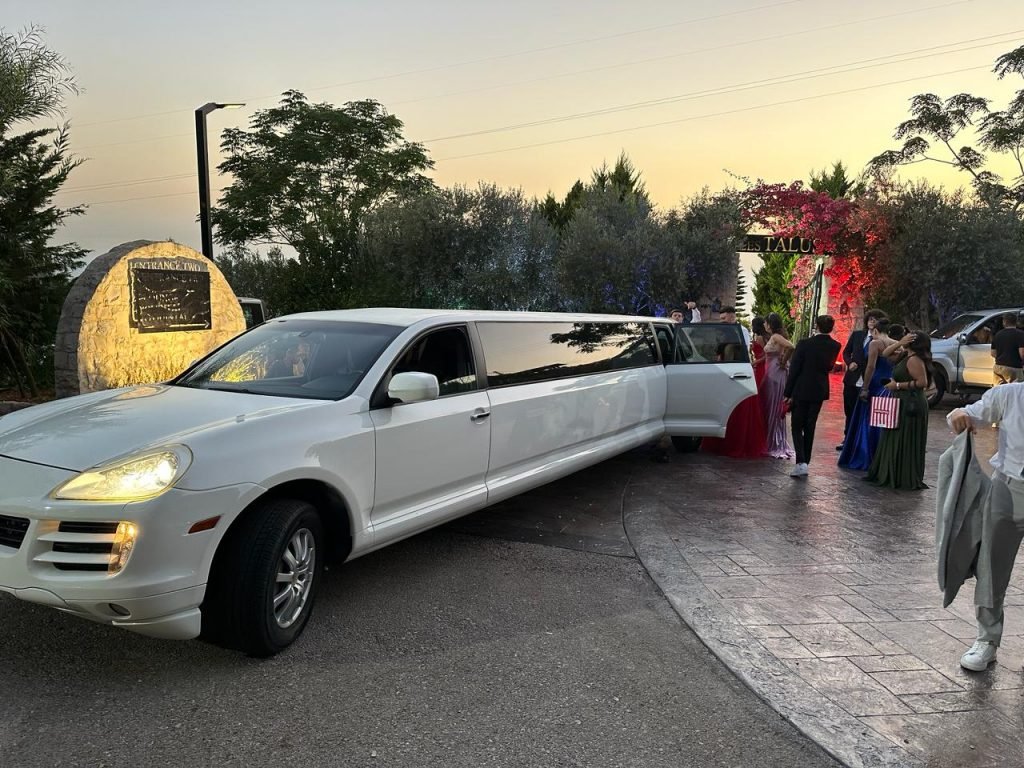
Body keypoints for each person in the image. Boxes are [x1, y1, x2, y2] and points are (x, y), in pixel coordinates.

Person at [948, 383, 1024, 671]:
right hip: (1009, 488)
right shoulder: (1009, 395)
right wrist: (957, 415)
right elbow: (970, 413)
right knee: (992, 566)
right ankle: (987, 639)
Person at [866, 332, 931, 490]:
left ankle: (903, 475)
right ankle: (892, 471)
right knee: (895, 435)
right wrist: (900, 342)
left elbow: (922, 382)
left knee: (905, 437)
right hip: (900, 402)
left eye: (909, 337)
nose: (905, 338)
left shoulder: (914, 359)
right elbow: (886, 354)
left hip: (911, 403)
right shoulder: (904, 355)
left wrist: (897, 386)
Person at [702, 308, 768, 458]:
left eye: (725, 319)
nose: (722, 322)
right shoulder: (724, 332)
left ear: (733, 317)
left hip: (737, 375)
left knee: (736, 412)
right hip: (725, 374)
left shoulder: (741, 331)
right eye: (721, 319)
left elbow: (741, 354)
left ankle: (735, 444)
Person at [784, 315, 842, 477]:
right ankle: (805, 461)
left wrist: (787, 392)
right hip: (819, 388)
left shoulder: (804, 344)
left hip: (801, 388)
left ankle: (801, 461)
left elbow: (795, 369)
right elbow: (830, 366)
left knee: (796, 426)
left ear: (816, 326)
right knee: (810, 425)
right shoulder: (835, 345)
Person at [839, 318, 895, 471]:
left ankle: (865, 454)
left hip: (875, 382)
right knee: (883, 419)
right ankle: (880, 456)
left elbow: (870, 366)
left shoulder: (875, 343)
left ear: (876, 331)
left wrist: (865, 387)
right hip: (888, 383)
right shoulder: (895, 343)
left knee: (868, 418)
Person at [761, 312, 795, 459]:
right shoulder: (774, 337)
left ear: (770, 324)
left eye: (765, 322)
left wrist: (783, 360)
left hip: (775, 372)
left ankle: (773, 442)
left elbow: (791, 346)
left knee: (773, 405)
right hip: (771, 371)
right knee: (770, 405)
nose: (764, 325)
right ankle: (771, 440)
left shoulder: (775, 337)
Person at [991, 313, 1024, 385]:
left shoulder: (997, 334)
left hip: (998, 367)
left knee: (999, 390)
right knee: (1015, 392)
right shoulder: (1021, 334)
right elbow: (1022, 354)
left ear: (1004, 322)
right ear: (1016, 322)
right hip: (1014, 368)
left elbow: (993, 353)